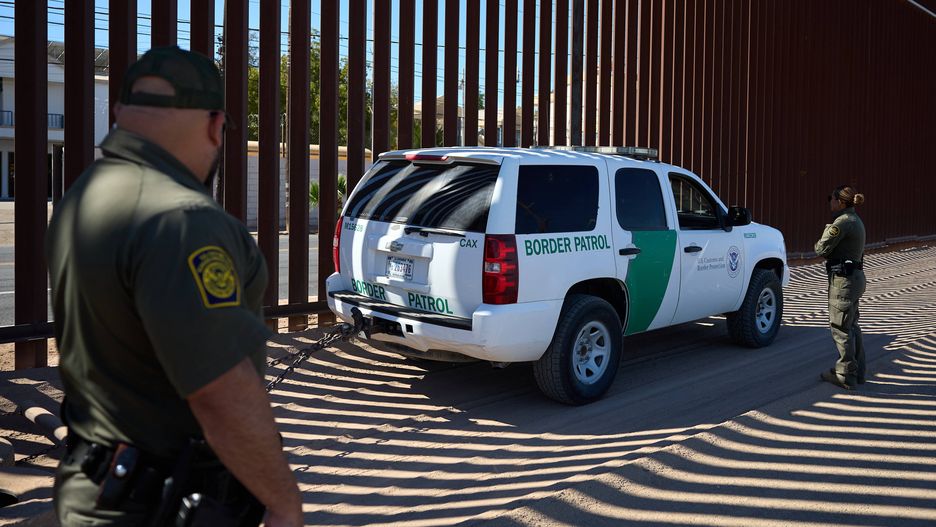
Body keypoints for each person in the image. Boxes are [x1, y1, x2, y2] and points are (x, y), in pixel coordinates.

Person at [46, 46, 303, 526]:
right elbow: (219, 390)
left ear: (120, 112)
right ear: (214, 124)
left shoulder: (85, 193)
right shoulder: (184, 220)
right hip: (162, 504)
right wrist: (284, 503)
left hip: (93, 486)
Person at [814, 185, 867, 390]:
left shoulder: (842, 222)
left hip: (844, 281)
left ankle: (845, 375)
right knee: (852, 326)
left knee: (841, 328)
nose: (830, 202)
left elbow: (821, 248)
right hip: (854, 278)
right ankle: (858, 372)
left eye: (832, 198)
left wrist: (828, 228)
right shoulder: (856, 220)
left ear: (840, 202)